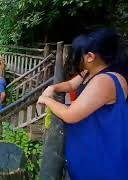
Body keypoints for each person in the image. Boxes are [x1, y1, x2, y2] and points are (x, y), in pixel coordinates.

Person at [37, 29, 128, 179]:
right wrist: (52, 87)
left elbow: (70, 114)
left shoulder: (105, 81)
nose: (77, 59)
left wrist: (47, 100)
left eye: (79, 55)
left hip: (102, 160)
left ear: (90, 56)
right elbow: (71, 85)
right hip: (90, 150)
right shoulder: (90, 72)